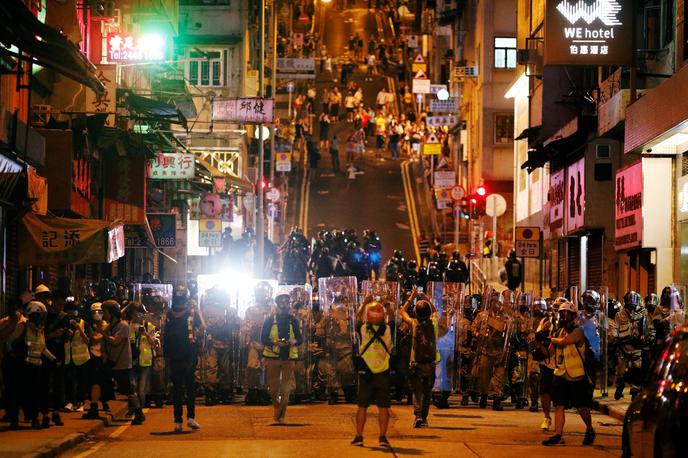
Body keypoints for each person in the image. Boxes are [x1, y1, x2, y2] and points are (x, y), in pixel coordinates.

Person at [542, 301, 596, 446]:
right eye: (561, 314)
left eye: (566, 314)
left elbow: (566, 342)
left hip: (577, 376)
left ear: (573, 316)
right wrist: (538, 341)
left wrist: (551, 339)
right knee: (559, 405)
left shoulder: (578, 331)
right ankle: (558, 434)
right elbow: (549, 352)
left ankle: (590, 429)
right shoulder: (558, 332)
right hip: (560, 374)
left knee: (582, 407)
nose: (563, 317)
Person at [351, 301, 393, 448]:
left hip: (366, 373)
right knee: (383, 407)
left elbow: (356, 318)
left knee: (362, 406)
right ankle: (382, 437)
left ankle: (359, 436)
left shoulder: (363, 328)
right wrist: (388, 306)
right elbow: (393, 318)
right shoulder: (388, 329)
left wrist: (363, 303)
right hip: (383, 371)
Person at [164, 285, 204, 433]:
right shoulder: (192, 312)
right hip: (189, 354)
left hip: (175, 355)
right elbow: (203, 328)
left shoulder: (169, 314)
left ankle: (178, 421)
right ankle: (190, 418)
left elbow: (165, 335)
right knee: (189, 386)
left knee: (178, 389)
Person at [261, 294, 303, 423]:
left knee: (286, 388)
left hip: (289, 357)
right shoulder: (269, 320)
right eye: (283, 302)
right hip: (273, 357)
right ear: (277, 303)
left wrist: (293, 341)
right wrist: (274, 342)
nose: (285, 305)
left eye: (287, 302)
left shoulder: (293, 320)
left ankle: (281, 415)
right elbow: (263, 339)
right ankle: (276, 404)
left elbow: (300, 339)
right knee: (272, 388)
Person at [400, 288, 439, 428]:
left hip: (415, 364)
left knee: (417, 391)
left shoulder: (413, 324)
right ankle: (424, 417)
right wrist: (425, 296)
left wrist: (412, 296)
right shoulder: (433, 324)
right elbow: (435, 311)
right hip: (430, 364)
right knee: (427, 392)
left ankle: (417, 416)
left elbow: (402, 312)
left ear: (416, 312)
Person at [103, 300, 145, 425]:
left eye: (105, 312)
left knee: (129, 391)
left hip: (122, 363)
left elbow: (116, 341)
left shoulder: (123, 326)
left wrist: (103, 334)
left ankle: (138, 413)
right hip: (112, 363)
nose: (104, 315)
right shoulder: (110, 326)